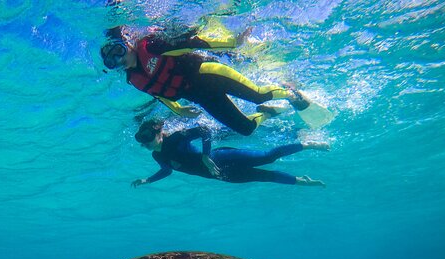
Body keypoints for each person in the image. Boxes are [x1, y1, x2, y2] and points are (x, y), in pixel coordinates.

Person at [100, 29, 310, 136]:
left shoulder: (150, 47)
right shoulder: (133, 80)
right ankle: (268, 112)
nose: (119, 58)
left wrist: (232, 43)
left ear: (126, 43)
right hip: (201, 98)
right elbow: (159, 95)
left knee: (258, 94)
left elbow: (189, 43)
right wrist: (179, 111)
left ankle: (291, 94)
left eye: (118, 50)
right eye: (112, 59)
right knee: (245, 129)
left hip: (209, 74)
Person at [131, 119, 327, 187]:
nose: (146, 143)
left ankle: (307, 143)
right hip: (220, 175)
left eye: (148, 137)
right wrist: (147, 180)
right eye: (143, 141)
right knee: (264, 177)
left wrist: (206, 156)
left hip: (222, 157)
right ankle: (302, 181)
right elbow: (167, 171)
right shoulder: (157, 156)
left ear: (158, 132)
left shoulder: (175, 138)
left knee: (268, 157)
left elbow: (204, 130)